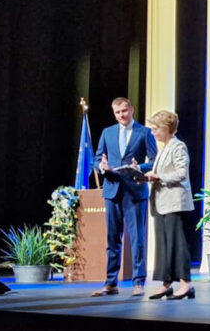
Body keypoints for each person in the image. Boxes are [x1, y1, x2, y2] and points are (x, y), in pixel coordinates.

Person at [91, 97, 157, 297]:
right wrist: (101, 166)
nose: (122, 115)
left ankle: (138, 283)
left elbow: (155, 160)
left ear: (132, 110)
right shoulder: (107, 132)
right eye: (118, 112)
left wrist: (140, 167)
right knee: (112, 239)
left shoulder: (144, 132)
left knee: (137, 239)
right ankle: (111, 283)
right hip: (112, 190)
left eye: (124, 111)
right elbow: (97, 158)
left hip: (134, 191)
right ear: (114, 113)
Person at [143, 110, 195, 300]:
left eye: (155, 129)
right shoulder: (164, 148)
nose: (153, 132)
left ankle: (186, 284)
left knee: (177, 244)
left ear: (166, 128)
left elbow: (181, 173)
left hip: (174, 203)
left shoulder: (178, 146)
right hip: (161, 203)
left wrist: (159, 177)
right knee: (164, 245)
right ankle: (166, 283)